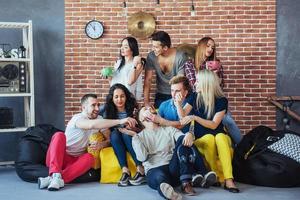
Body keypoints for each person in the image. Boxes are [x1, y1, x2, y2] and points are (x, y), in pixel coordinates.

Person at [37, 94, 137, 191]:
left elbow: (109, 139)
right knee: (59, 135)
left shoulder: (100, 119)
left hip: (75, 162)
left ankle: (55, 179)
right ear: (84, 107)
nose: (97, 108)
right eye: (93, 105)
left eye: (98, 105)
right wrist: (120, 121)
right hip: (59, 158)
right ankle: (55, 173)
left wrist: (102, 144)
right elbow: (91, 125)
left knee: (89, 158)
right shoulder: (77, 118)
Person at [121, 107, 217, 199]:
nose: (150, 109)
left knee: (184, 140)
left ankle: (186, 182)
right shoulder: (139, 137)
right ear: (141, 118)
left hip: (173, 168)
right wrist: (135, 136)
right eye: (146, 109)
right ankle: (169, 192)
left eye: (151, 108)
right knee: (160, 179)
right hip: (154, 169)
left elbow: (182, 139)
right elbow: (142, 158)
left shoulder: (168, 129)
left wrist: (189, 134)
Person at [180, 69, 240, 193]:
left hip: (219, 135)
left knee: (220, 137)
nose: (195, 83)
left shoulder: (221, 100)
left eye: (197, 81)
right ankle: (215, 174)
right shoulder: (194, 97)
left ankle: (229, 180)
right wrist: (178, 104)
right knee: (209, 138)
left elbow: (213, 125)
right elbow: (183, 117)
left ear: (206, 83)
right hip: (201, 139)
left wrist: (195, 117)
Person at [183, 36, 242, 145]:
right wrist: (207, 76)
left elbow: (221, 87)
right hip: (198, 103)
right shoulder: (190, 64)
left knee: (229, 121)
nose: (210, 49)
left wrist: (215, 77)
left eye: (213, 47)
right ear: (201, 47)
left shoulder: (216, 64)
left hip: (214, 102)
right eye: (208, 46)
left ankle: (242, 148)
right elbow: (194, 86)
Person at [103, 83, 145, 186]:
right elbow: (105, 128)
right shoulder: (107, 110)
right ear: (112, 98)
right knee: (114, 134)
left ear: (126, 96)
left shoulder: (134, 108)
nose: (119, 99)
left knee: (126, 134)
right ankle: (125, 171)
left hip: (133, 139)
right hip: (118, 143)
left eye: (122, 96)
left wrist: (133, 129)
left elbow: (143, 129)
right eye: (116, 97)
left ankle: (140, 169)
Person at [144, 31, 188, 108]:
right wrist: (146, 102)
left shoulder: (180, 57)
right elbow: (148, 80)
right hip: (160, 95)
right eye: (153, 46)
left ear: (165, 48)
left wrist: (178, 102)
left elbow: (180, 81)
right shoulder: (152, 56)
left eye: (156, 47)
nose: (153, 49)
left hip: (177, 93)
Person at [104, 36, 144, 100]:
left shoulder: (138, 64)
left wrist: (134, 64)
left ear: (132, 49)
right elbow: (112, 83)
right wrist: (107, 75)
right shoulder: (118, 62)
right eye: (121, 46)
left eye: (125, 47)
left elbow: (130, 81)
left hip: (127, 98)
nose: (122, 49)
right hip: (116, 97)